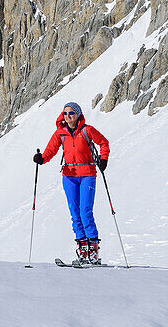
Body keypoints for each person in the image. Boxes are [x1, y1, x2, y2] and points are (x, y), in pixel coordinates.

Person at [33, 102, 110, 266]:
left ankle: (93, 254)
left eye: (72, 113)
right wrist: (42, 159)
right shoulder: (60, 133)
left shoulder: (87, 130)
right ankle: (83, 252)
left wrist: (103, 159)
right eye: (65, 113)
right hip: (69, 176)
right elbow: (50, 150)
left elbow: (104, 142)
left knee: (85, 212)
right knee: (75, 213)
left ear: (78, 114)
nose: (68, 116)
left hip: (87, 174)